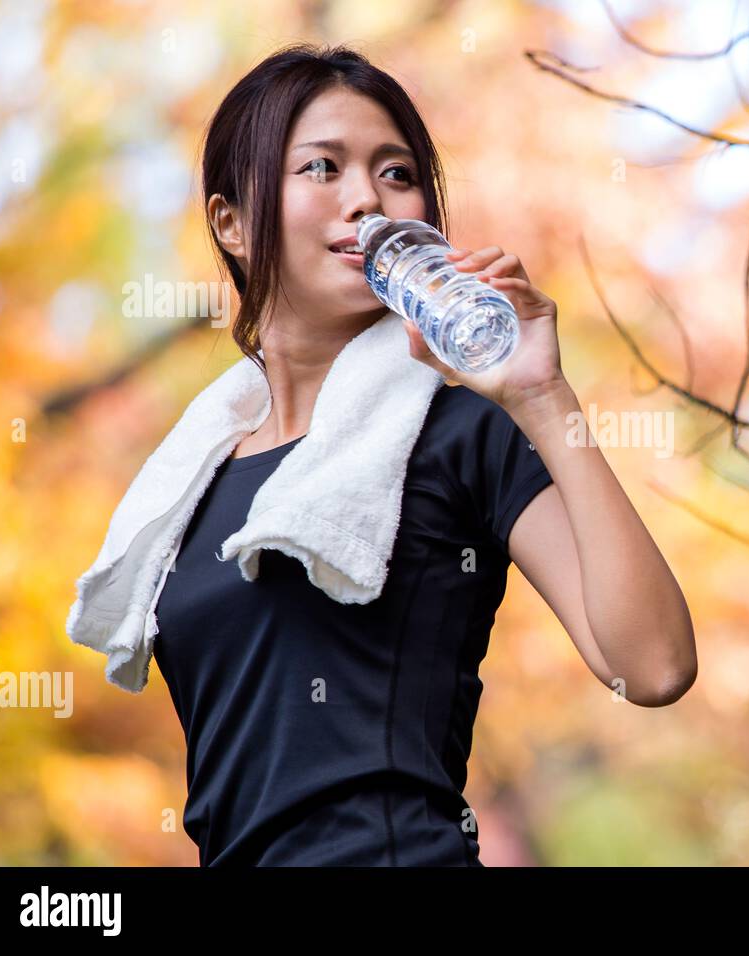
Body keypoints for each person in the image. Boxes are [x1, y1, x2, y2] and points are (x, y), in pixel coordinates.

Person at [147, 43, 696, 866]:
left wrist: (544, 398)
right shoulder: (189, 486)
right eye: (322, 167)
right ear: (232, 221)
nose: (366, 198)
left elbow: (651, 666)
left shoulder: (458, 434)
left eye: (397, 174)